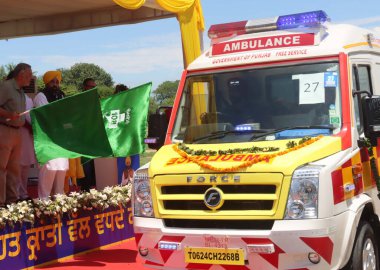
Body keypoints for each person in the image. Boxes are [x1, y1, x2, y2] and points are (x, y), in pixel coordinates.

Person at [0, 63, 33, 207]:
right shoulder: (6, 87)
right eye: (29, 75)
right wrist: (8, 114)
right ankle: (1, 203)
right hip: (5, 130)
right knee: (1, 168)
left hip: (17, 133)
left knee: (14, 169)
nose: (31, 78)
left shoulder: (21, 92)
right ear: (21, 74)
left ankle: (11, 202)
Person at [34, 71, 68, 199]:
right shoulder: (41, 96)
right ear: (46, 82)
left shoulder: (61, 95)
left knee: (61, 168)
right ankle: (44, 200)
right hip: (47, 140)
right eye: (52, 82)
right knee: (49, 168)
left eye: (57, 82)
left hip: (61, 139)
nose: (55, 84)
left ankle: (59, 199)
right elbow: (46, 116)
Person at [19, 93, 36, 201]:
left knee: (25, 165)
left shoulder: (28, 98)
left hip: (28, 135)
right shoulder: (11, 96)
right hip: (18, 132)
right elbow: (17, 115)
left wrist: (33, 127)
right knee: (16, 166)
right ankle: (15, 195)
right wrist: (29, 126)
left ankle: (23, 194)